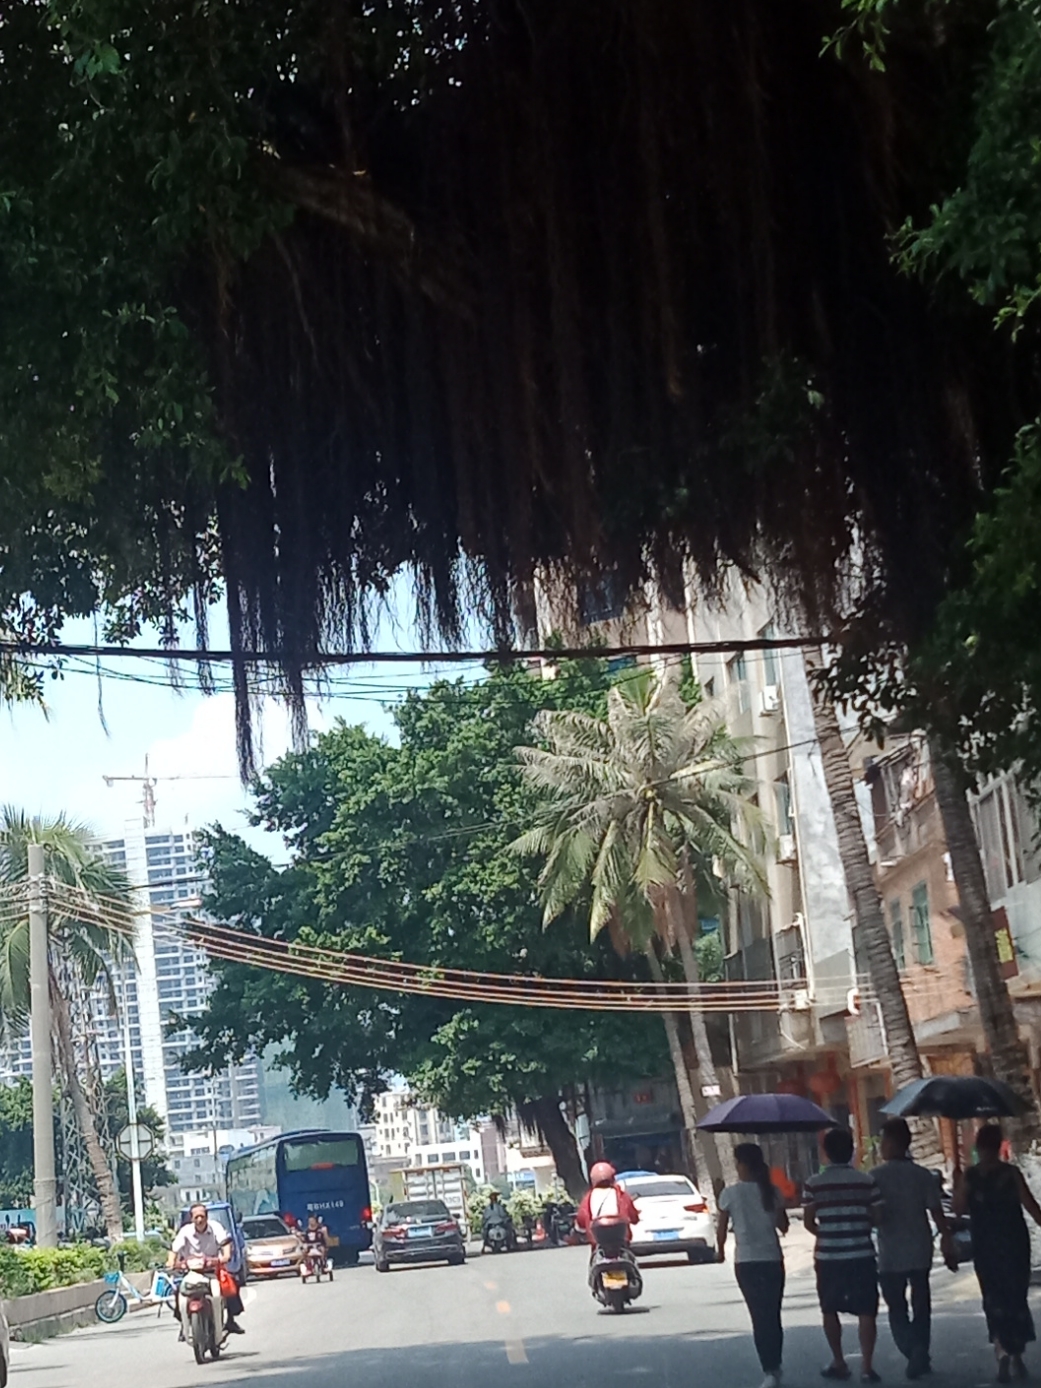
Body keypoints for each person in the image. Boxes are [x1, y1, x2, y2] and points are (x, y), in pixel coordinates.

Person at [955, 1123, 1041, 1382]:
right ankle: (1016, 1357)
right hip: (1014, 1243)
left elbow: (958, 1209)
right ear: (998, 1145)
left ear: (979, 1146)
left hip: (986, 1245)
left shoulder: (970, 1176)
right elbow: (1031, 1206)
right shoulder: (1011, 1173)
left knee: (993, 1299)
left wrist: (958, 1183)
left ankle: (1001, 1352)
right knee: (1015, 1298)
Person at [872, 1117, 955, 1380]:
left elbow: (872, 1215)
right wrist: (946, 1239)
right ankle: (920, 1349)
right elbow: (936, 1212)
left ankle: (912, 1348)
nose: (881, 1146)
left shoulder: (874, 1177)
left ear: (892, 1143)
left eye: (883, 1140)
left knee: (896, 1305)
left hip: (890, 1252)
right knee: (921, 1303)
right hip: (920, 1247)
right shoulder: (922, 1175)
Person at [804, 1127, 884, 1383]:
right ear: (851, 1151)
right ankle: (867, 1367)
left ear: (825, 1152)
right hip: (861, 1253)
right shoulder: (867, 1181)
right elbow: (877, 1217)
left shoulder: (813, 1184)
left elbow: (808, 1221)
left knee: (829, 1308)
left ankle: (839, 1361)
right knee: (867, 1309)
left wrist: (827, 1233)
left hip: (828, 1256)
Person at [717, 1142, 790, 1388]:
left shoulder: (730, 1194)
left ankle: (769, 1369)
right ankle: (775, 1365)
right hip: (772, 1259)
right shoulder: (772, 1191)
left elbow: (721, 1229)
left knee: (758, 1316)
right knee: (773, 1314)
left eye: (737, 1163)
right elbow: (783, 1226)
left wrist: (719, 1252)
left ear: (744, 1165)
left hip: (746, 1261)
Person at [168, 1202, 245, 1336]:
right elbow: (174, 1249)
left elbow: (225, 1243)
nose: (199, 1220)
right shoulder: (185, 1231)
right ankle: (184, 1324)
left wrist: (225, 1256)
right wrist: (171, 1262)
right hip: (191, 1271)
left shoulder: (216, 1227)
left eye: (202, 1216)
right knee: (179, 1291)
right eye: (196, 1217)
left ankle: (230, 1320)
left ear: (207, 1217)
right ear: (191, 1219)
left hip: (211, 1270)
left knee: (229, 1286)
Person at [576, 1162, 639, 1248]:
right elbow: (632, 1214)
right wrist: (634, 1218)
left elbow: (581, 1218)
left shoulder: (588, 1197)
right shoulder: (620, 1194)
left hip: (597, 1240)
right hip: (621, 1239)